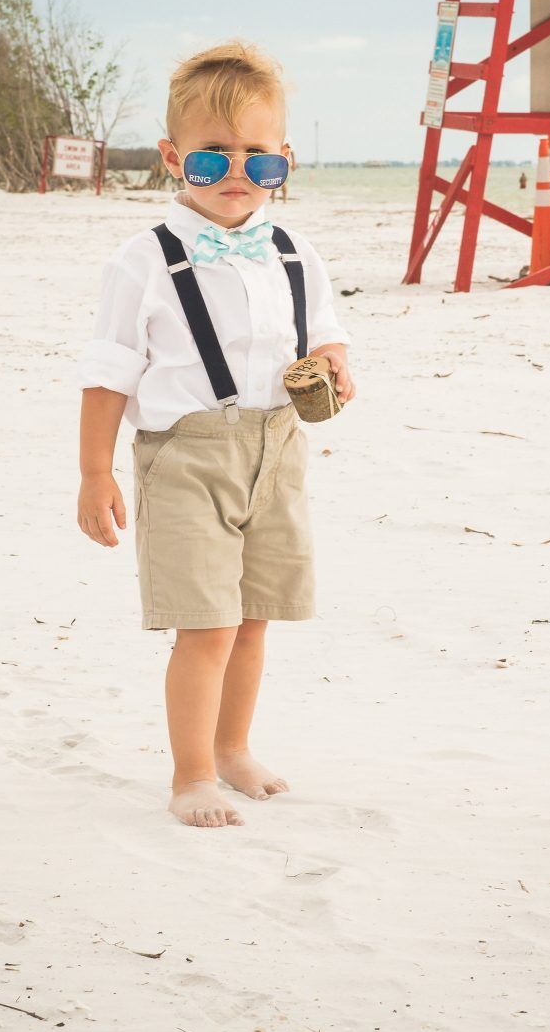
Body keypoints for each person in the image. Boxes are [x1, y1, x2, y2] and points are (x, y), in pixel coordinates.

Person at [75, 41, 356, 830]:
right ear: (173, 158)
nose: (238, 175)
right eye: (212, 160)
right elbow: (108, 374)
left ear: (285, 161)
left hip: (278, 450)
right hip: (186, 459)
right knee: (208, 626)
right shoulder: (144, 262)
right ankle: (191, 773)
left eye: (259, 161)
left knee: (255, 615)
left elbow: (324, 331)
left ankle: (234, 747)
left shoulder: (295, 251)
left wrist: (334, 362)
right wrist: (96, 474)